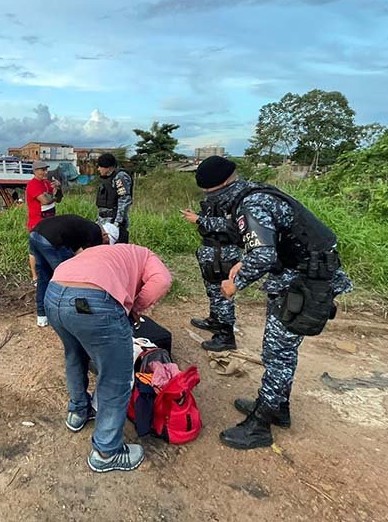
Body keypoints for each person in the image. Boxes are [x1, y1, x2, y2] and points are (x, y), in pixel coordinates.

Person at [191, 156, 353, 450]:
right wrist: (243, 262)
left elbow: (263, 254)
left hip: (304, 281)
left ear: (222, 186)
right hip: (299, 275)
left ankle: (261, 425)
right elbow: (270, 244)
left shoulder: (251, 204)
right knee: (280, 350)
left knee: (277, 353)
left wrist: (234, 283)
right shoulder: (256, 192)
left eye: (210, 193)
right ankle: (277, 406)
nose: (210, 199)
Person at [45, 244, 172, 473]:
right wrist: (136, 308)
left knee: (75, 355)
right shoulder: (147, 257)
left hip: (54, 294)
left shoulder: (112, 252)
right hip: (94, 301)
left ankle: (78, 411)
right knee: (117, 376)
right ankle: (107, 452)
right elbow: (162, 280)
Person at [182, 163, 243, 352]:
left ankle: (226, 336)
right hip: (212, 250)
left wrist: (200, 220)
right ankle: (215, 321)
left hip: (224, 252)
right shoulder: (219, 195)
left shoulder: (240, 197)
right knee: (213, 291)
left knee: (222, 294)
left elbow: (233, 225)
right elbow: (215, 216)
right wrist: (199, 215)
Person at [29, 215, 118, 328]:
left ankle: (42, 316)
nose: (105, 245)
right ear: (105, 235)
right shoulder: (96, 232)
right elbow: (95, 261)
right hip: (51, 239)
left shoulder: (82, 227)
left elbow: (77, 252)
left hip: (36, 234)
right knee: (69, 279)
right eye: (107, 242)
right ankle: (79, 314)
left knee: (44, 276)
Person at [26, 160, 63, 286]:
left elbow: (59, 199)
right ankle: (35, 276)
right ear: (35, 171)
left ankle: (47, 272)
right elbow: (45, 200)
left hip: (49, 221)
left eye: (46, 169)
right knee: (34, 250)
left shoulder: (47, 184)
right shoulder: (32, 185)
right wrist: (53, 196)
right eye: (42, 170)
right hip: (37, 221)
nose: (45, 172)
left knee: (50, 247)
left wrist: (58, 188)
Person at [95, 153, 133, 244]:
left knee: (117, 250)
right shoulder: (106, 179)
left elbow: (124, 199)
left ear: (108, 167)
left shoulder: (120, 177)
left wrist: (117, 222)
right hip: (102, 219)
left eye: (101, 166)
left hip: (114, 220)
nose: (98, 169)